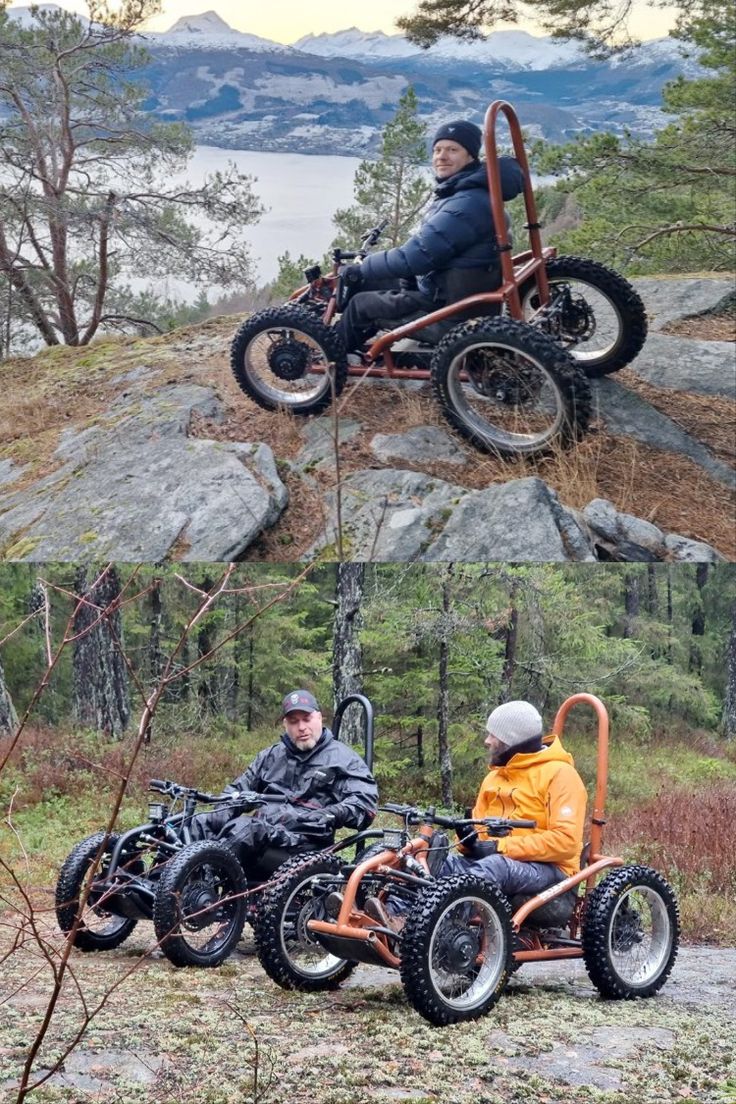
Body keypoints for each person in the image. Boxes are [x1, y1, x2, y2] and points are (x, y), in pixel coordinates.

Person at [336, 119, 526, 358]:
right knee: (373, 283)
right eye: (438, 150)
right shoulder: (471, 192)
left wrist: (363, 267)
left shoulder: (466, 204)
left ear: (471, 157)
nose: (441, 156)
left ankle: (330, 361)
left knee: (360, 305)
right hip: (451, 293)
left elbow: (414, 257)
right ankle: (351, 345)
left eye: (452, 150)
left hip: (449, 315)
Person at [191, 689, 378, 874]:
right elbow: (239, 788)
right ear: (285, 724)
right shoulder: (271, 756)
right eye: (294, 721)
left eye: (307, 719)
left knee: (245, 829)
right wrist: (223, 811)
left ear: (319, 718)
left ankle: (205, 881)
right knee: (198, 822)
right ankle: (167, 886)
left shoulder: (343, 759)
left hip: (304, 843)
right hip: (264, 832)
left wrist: (329, 814)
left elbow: (365, 804)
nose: (301, 727)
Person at [440, 700, 588, 898]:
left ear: (511, 741)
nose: (487, 740)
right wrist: (468, 841)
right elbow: (481, 837)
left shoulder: (561, 775)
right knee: (432, 860)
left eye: (493, 735)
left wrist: (499, 848)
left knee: (494, 868)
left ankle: (447, 924)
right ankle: (399, 919)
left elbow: (566, 842)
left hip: (552, 874)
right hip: (493, 864)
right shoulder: (493, 777)